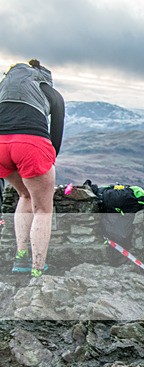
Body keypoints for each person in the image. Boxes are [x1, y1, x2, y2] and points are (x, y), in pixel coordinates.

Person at [0, 59, 64, 277]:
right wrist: (48, 161)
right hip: (31, 144)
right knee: (43, 209)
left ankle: (20, 258)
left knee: (24, 195)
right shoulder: (50, 92)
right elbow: (56, 133)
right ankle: (38, 269)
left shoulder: (4, 86)